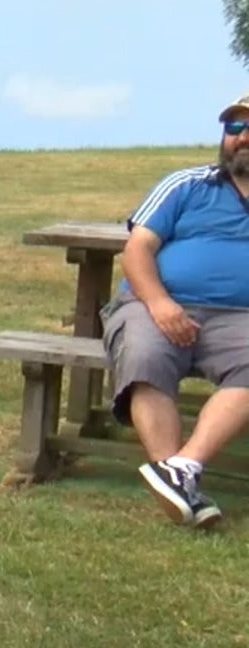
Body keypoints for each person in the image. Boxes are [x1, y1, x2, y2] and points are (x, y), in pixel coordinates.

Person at [103, 96, 249, 529]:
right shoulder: (186, 185)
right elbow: (136, 251)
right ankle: (182, 480)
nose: (241, 137)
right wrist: (161, 303)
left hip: (239, 318)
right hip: (154, 302)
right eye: (234, 128)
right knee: (145, 356)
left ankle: (182, 469)